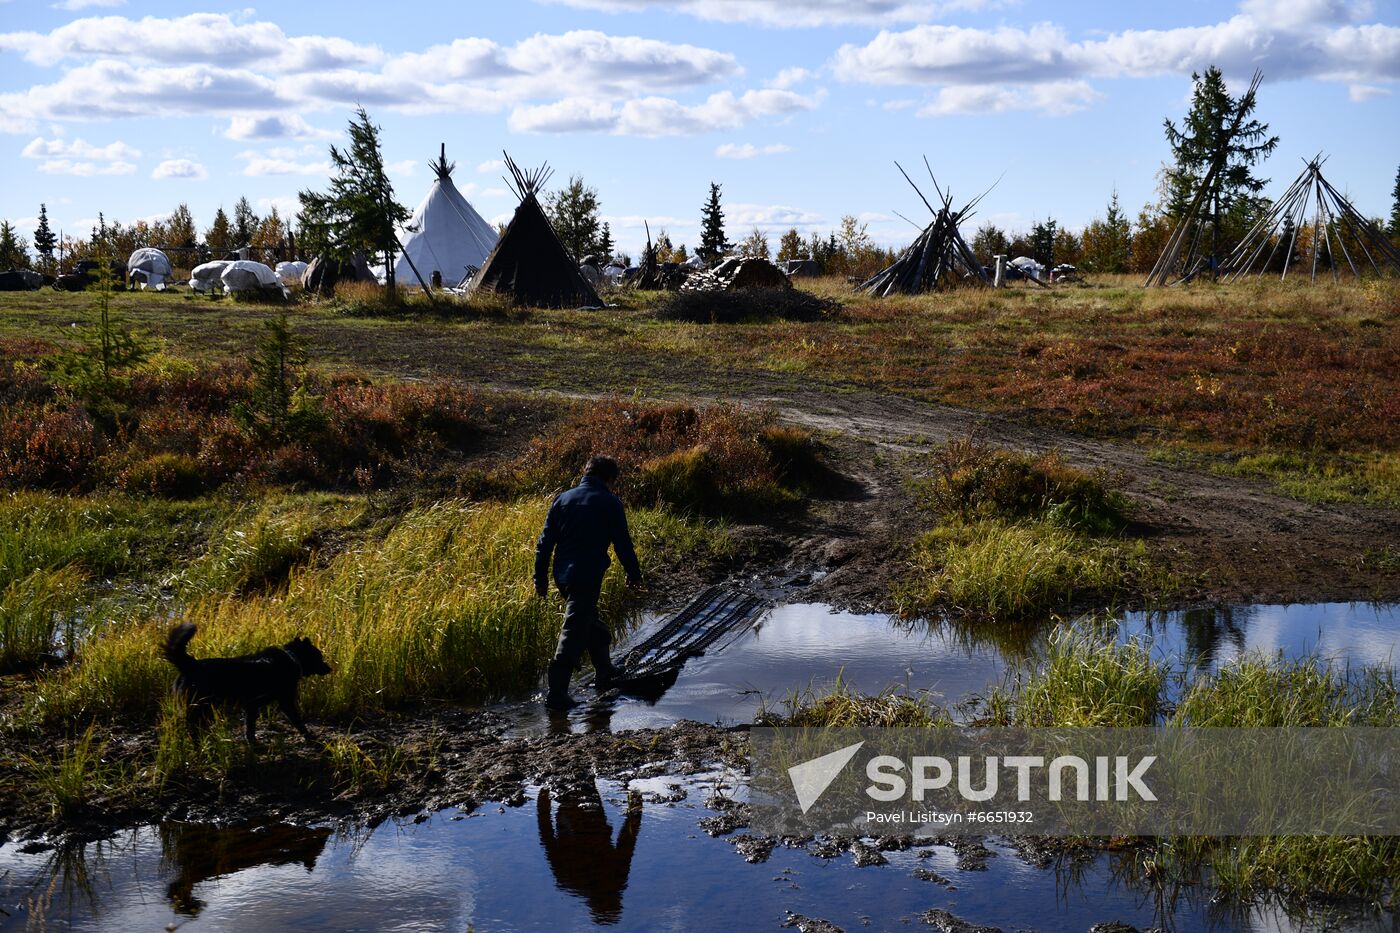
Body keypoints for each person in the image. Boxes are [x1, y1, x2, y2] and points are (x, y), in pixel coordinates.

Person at [534, 455, 642, 710]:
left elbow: (544, 543)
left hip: (563, 576)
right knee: (573, 631)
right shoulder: (610, 502)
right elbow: (622, 544)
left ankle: (604, 670)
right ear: (609, 479)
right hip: (587, 575)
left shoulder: (563, 499)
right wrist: (634, 573)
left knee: (588, 621)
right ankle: (557, 692)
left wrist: (540, 578)